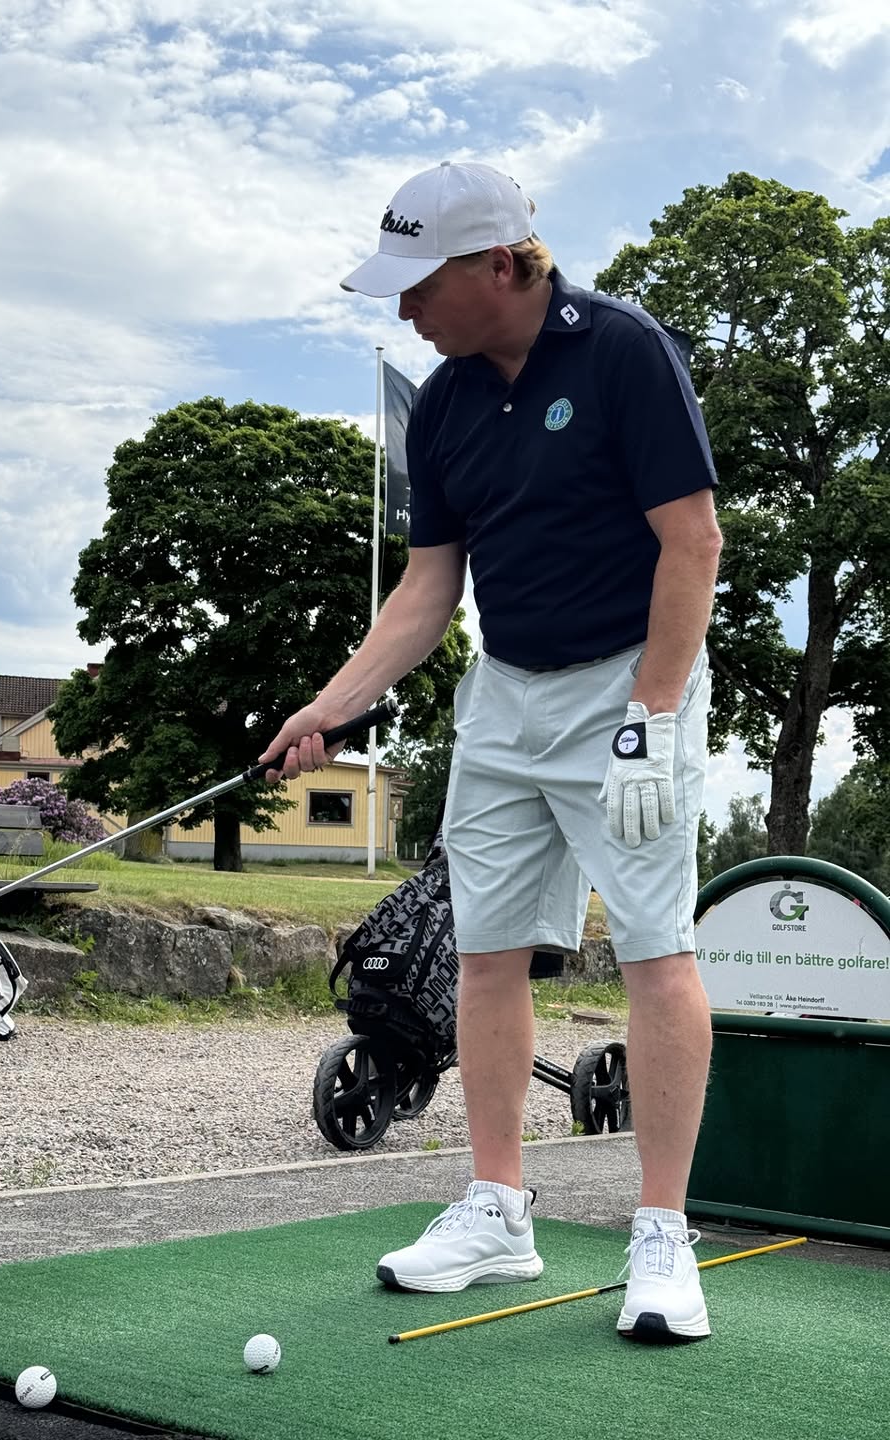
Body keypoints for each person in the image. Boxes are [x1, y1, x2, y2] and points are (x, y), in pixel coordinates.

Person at [260, 161, 722, 1344]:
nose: (405, 307)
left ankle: (662, 1233)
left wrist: (653, 716)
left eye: (421, 284)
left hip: (630, 678)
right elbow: (429, 587)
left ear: (503, 265)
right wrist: (332, 705)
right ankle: (499, 1210)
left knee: (655, 948)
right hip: (507, 695)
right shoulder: (446, 405)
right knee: (485, 953)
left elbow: (693, 542)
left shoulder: (623, 352)